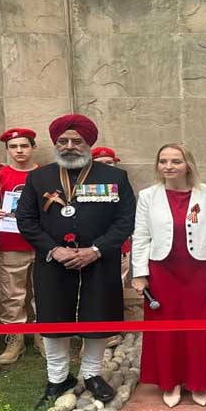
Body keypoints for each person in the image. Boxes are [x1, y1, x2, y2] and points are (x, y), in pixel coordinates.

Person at [16, 115, 135, 406]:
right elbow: (26, 219)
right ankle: (58, 378)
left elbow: (126, 220)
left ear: (88, 143)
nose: (69, 146)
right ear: (55, 143)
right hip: (54, 262)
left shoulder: (114, 177)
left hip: (99, 261)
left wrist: (96, 249)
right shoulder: (39, 178)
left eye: (76, 141)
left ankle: (92, 374)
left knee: (97, 315)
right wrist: (53, 249)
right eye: (63, 141)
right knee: (54, 318)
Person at [131, 143, 206, 408]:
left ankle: (199, 381)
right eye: (163, 161)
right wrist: (139, 274)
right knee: (165, 329)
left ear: (188, 164)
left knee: (198, 327)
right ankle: (170, 381)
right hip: (161, 272)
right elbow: (141, 236)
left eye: (175, 161)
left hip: (200, 271)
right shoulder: (148, 196)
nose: (168, 166)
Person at [0, 128, 41, 365]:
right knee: (12, 294)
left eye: (24, 146)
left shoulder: (46, 174)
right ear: (7, 149)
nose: (19, 151)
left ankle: (43, 334)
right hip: (11, 242)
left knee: (44, 293)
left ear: (33, 147)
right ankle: (14, 338)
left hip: (42, 243)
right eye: (13, 146)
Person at [91, 146, 127, 349]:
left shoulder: (121, 183)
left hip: (118, 246)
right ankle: (91, 330)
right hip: (90, 248)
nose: (106, 167)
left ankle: (112, 329)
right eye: (101, 163)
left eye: (109, 163)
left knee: (115, 288)